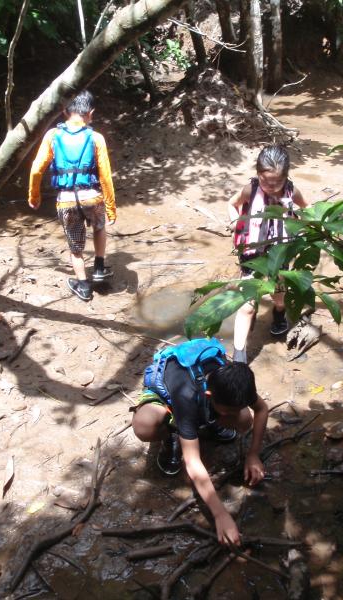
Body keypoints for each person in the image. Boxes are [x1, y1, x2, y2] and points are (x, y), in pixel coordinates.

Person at [131, 339, 269, 546]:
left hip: (206, 397)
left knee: (243, 420)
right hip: (168, 394)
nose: (232, 412)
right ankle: (171, 434)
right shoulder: (186, 395)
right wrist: (220, 514)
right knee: (145, 426)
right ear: (209, 395)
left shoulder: (237, 383)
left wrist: (253, 454)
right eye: (226, 410)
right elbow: (193, 463)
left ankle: (211, 421)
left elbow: (262, 409)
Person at [28, 91, 116, 302]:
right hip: (92, 196)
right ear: (91, 113)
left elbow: (36, 169)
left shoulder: (52, 136)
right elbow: (105, 175)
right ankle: (99, 267)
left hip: (66, 199)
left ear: (64, 111)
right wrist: (111, 206)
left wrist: (34, 194)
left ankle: (84, 287)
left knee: (75, 247)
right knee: (99, 227)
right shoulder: (96, 138)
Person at [227, 145, 309, 363]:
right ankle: (239, 357)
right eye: (265, 181)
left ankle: (279, 311)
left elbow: (307, 211)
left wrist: (299, 217)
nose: (270, 187)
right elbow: (232, 203)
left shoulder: (293, 192)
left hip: (280, 251)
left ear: (286, 177)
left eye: (277, 183)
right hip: (252, 250)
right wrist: (235, 220)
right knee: (247, 304)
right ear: (258, 175)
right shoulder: (250, 189)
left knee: (278, 295)